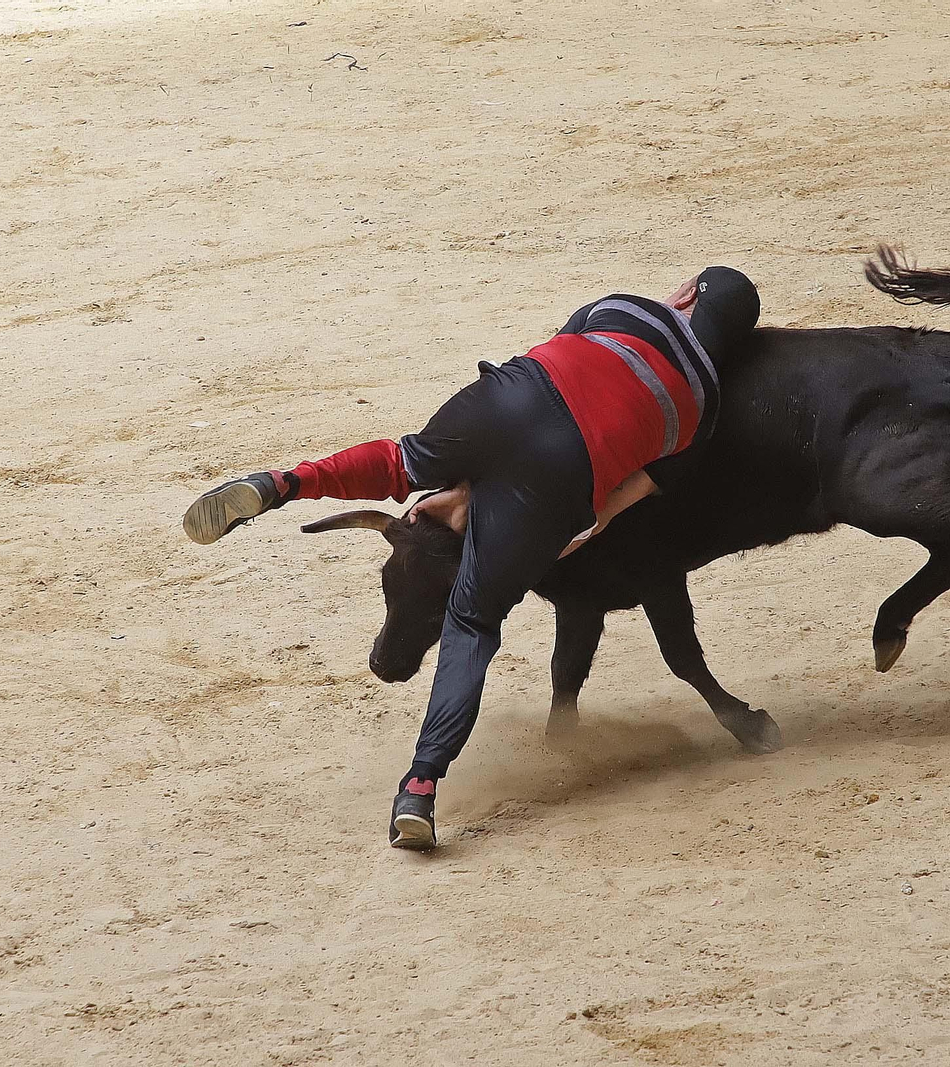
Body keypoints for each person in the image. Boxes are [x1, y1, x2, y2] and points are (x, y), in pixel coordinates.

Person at [182, 268, 760, 850]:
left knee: (399, 459)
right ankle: (420, 788)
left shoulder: (621, 309)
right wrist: (573, 522)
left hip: (516, 395)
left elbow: (552, 353)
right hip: (567, 468)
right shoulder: (704, 403)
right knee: (471, 625)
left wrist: (462, 487)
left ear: (686, 296)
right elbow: (629, 492)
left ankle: (284, 482)